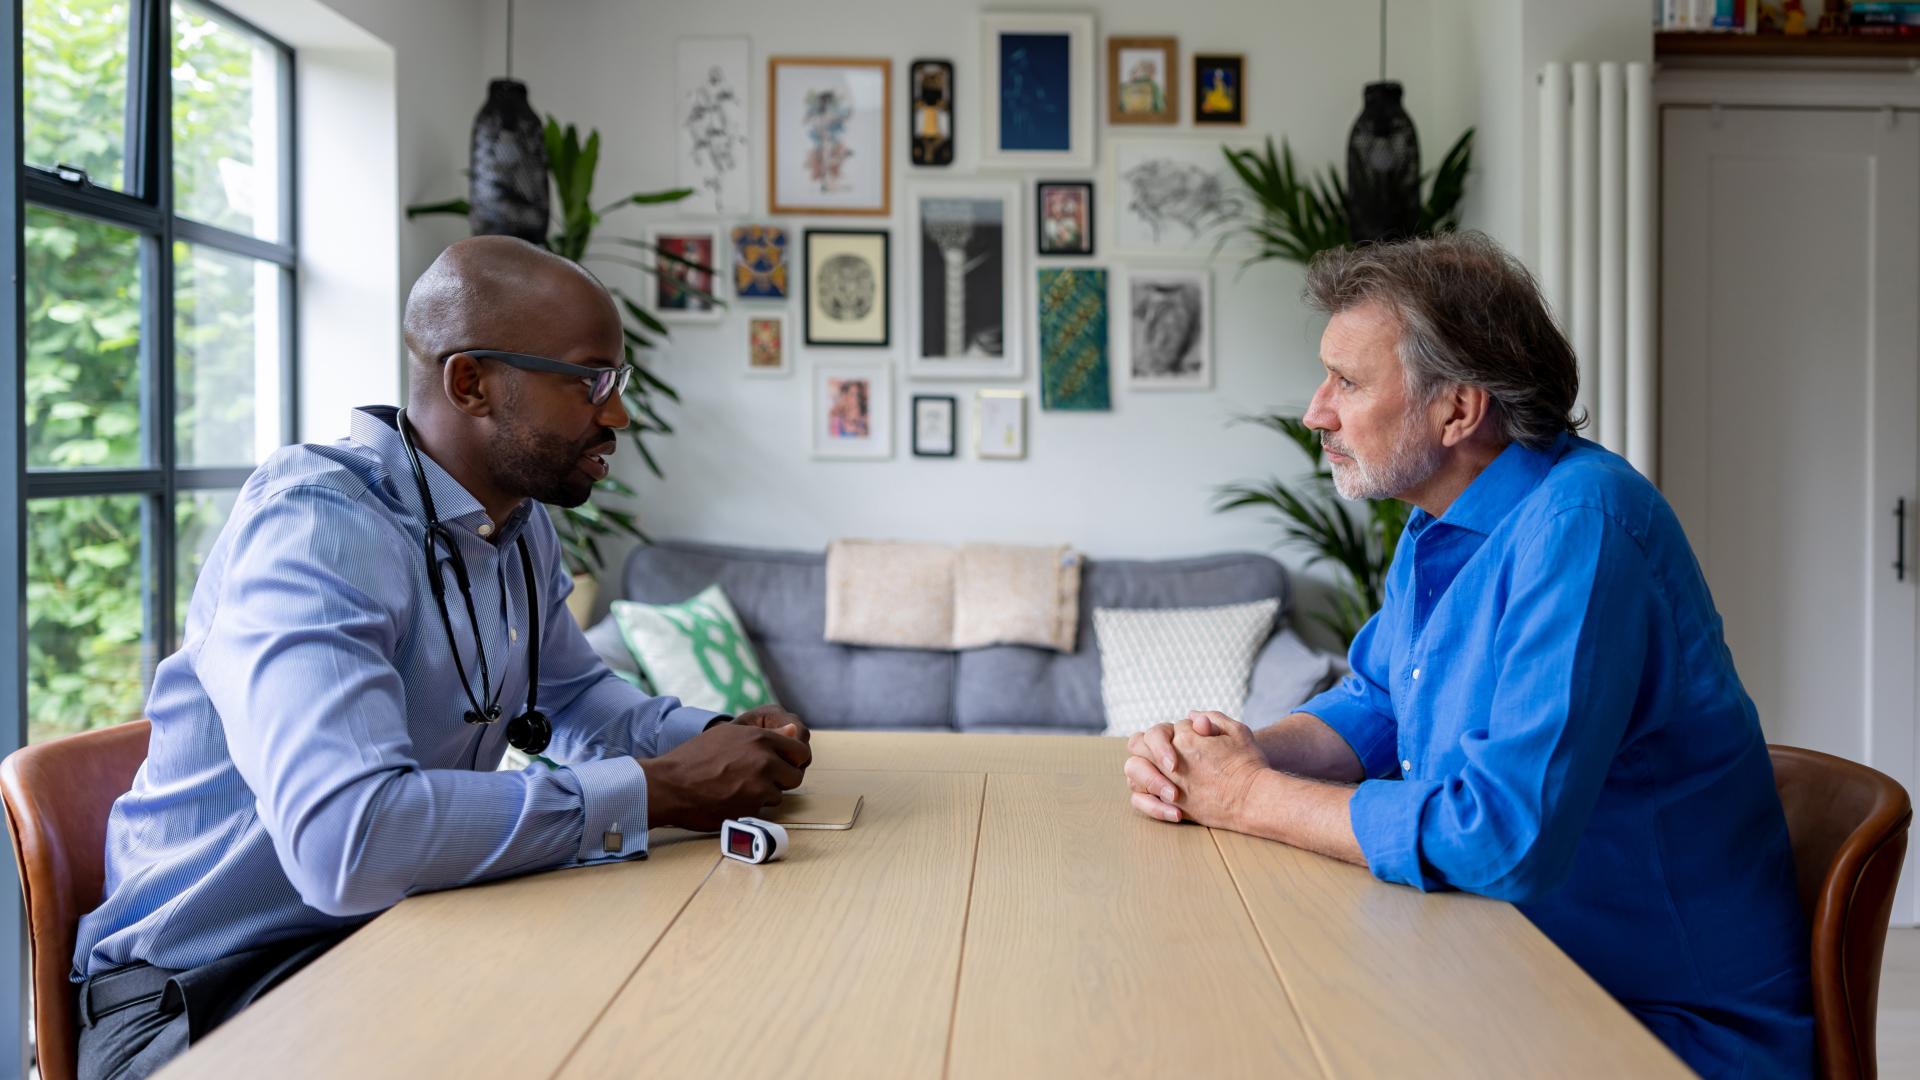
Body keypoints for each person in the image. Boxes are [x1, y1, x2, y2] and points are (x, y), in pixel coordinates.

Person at [70, 236, 814, 1079]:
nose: (617, 415)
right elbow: (349, 846)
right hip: (202, 993)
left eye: (617, 383)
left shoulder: (517, 526)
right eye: (588, 381)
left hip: (390, 935)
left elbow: (573, 702)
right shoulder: (315, 530)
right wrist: (666, 787)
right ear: (471, 383)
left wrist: (718, 739)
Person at [1122, 232, 1813, 1079]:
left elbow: (1499, 838)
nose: (1317, 411)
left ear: (1458, 409)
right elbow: (1378, 703)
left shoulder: (1581, 527)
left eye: (1348, 380)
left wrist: (1253, 797)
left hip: (1649, 1023)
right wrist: (1229, 757)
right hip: (1507, 962)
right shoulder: (1441, 519)